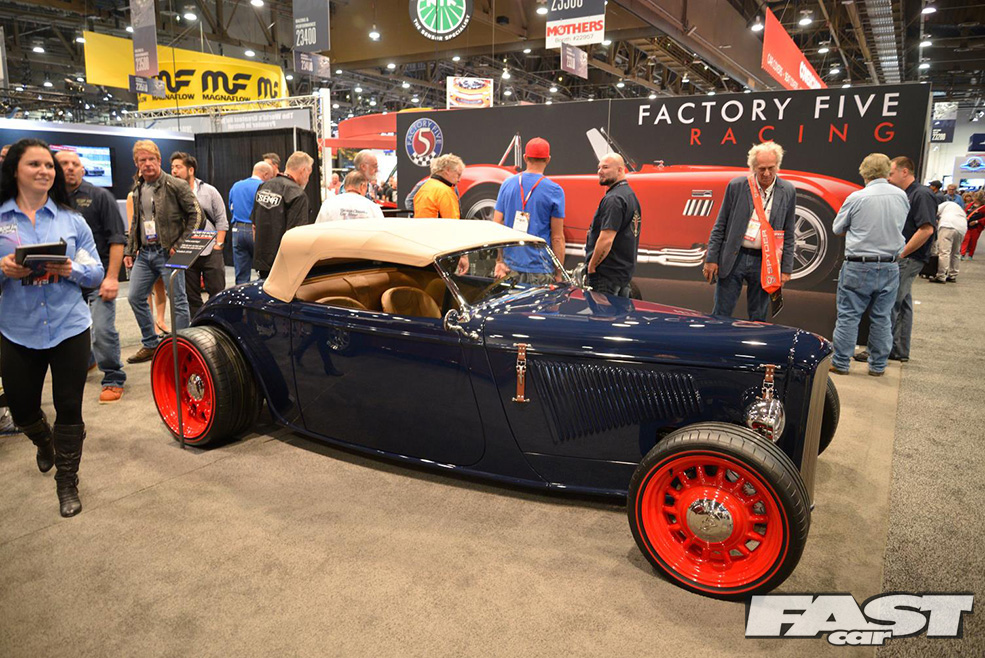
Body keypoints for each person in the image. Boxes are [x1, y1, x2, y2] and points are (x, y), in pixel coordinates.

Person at [0, 138, 104, 517]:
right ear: (15, 170)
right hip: (17, 329)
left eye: (48, 165)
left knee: (69, 406)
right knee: (23, 407)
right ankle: (43, 441)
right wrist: (3, 269)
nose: (44, 171)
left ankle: (67, 481)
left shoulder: (71, 220)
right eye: (35, 164)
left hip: (69, 327)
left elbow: (95, 271)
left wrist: (72, 269)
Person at [55, 149, 127, 403]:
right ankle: (88, 361)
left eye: (75, 164)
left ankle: (113, 377)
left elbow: (117, 239)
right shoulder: (49, 201)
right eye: (64, 163)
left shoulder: (99, 196)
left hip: (98, 278)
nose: (70, 168)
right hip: (65, 280)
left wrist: (112, 277)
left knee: (103, 330)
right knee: (72, 330)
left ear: (83, 169)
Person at [828, 154, 908, 377]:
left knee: (848, 316)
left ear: (864, 172)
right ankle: (878, 366)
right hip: (890, 265)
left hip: (859, 266)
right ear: (887, 171)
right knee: (882, 318)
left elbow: (837, 228)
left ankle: (841, 363)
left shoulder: (857, 197)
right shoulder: (901, 196)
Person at [124, 140, 202, 364]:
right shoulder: (138, 189)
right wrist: (130, 249)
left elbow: (197, 215)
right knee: (135, 297)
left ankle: (182, 348)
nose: (147, 163)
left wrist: (181, 244)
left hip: (168, 252)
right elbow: (136, 222)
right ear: (137, 163)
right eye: (142, 160)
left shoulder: (175, 185)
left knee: (178, 301)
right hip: (144, 253)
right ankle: (151, 343)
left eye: (151, 159)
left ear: (159, 160)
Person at [703, 142, 797, 321]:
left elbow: (789, 233)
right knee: (721, 313)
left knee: (758, 317)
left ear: (778, 165)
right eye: (762, 169)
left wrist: (786, 269)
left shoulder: (788, 191)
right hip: (734, 257)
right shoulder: (737, 186)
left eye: (771, 168)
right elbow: (720, 224)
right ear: (753, 167)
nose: (767, 173)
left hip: (765, 261)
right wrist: (711, 258)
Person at [491, 137, 566, 284]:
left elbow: (496, 226)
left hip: (509, 267)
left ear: (525, 158)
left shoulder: (507, 184)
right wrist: (559, 273)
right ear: (548, 159)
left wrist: (499, 261)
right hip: (541, 269)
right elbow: (557, 238)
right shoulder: (555, 191)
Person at [886, 156, 936, 363]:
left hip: (910, 257)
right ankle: (898, 350)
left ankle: (882, 350)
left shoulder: (921, 194)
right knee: (903, 303)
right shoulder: (908, 194)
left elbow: (927, 229)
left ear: (904, 172)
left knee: (892, 303)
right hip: (908, 256)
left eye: (891, 173)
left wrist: (903, 253)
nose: (888, 178)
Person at [170, 152, 227, 316]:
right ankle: (197, 323)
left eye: (178, 167)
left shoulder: (209, 191)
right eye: (172, 167)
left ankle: (217, 322)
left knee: (217, 292)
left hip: (211, 248)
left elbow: (221, 219)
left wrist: (218, 245)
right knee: (191, 296)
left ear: (191, 170)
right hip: (187, 250)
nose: (174, 171)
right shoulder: (171, 194)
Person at [585, 153, 642, 296]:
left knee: (602, 311)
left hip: (606, 277)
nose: (600, 171)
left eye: (605, 167)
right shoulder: (629, 195)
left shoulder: (614, 199)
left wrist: (591, 267)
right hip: (621, 276)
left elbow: (606, 240)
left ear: (620, 170)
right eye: (599, 167)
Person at [252, 151, 314, 278]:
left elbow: (254, 226)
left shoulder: (264, 186)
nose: (308, 179)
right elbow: (296, 235)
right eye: (309, 174)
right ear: (303, 170)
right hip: (284, 265)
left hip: (262, 261)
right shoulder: (297, 194)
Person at [228, 161, 273, 284]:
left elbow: (231, 207)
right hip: (256, 231)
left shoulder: (236, 186)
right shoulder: (265, 188)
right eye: (270, 177)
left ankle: (241, 295)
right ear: (265, 174)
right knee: (264, 272)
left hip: (237, 231)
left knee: (241, 275)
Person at [315, 171, 384, 223]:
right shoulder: (373, 207)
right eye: (366, 187)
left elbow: (318, 229)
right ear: (362, 186)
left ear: (345, 187)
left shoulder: (328, 204)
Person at [414, 154, 465, 219]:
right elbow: (452, 222)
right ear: (448, 170)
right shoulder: (445, 192)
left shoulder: (424, 187)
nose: (459, 180)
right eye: (458, 174)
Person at [931, 201, 967, 283]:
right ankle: (953, 275)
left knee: (944, 252)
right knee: (956, 252)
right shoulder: (957, 208)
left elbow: (933, 213)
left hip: (947, 225)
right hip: (962, 227)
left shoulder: (943, 205)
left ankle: (941, 275)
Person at [961, 191, 985, 260]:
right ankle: (962, 254)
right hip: (967, 225)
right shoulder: (971, 204)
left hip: (976, 227)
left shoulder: (983, 207)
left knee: (973, 241)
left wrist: (977, 221)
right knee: (966, 239)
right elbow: (965, 212)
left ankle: (970, 255)